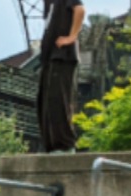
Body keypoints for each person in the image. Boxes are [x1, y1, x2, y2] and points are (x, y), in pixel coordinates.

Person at [37, 0, 86, 153]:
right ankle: (50, 145)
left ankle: (64, 145)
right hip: (50, 56)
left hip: (62, 55)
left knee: (58, 99)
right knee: (44, 101)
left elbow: (79, 10)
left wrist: (71, 37)